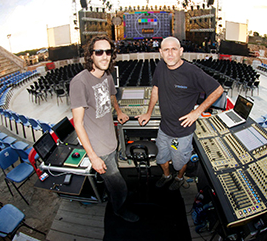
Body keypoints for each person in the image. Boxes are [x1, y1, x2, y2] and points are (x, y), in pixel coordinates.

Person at [136, 36, 224, 190]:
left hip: (181, 134)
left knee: (178, 162)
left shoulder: (192, 72)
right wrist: (148, 112)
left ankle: (179, 177)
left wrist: (197, 112)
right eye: (166, 50)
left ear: (181, 51)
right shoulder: (160, 67)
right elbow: (155, 90)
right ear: (161, 52)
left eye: (174, 49)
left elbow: (218, 90)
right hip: (164, 130)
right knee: (161, 158)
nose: (170, 53)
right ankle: (166, 176)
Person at [70, 35, 139, 222]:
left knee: (112, 178)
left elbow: (111, 96)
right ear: (90, 55)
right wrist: (93, 156)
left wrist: (119, 111)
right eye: (99, 52)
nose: (104, 56)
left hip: (111, 140)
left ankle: (114, 194)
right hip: (98, 148)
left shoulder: (107, 74)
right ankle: (119, 209)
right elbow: (78, 123)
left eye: (108, 52)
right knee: (118, 184)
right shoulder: (79, 83)